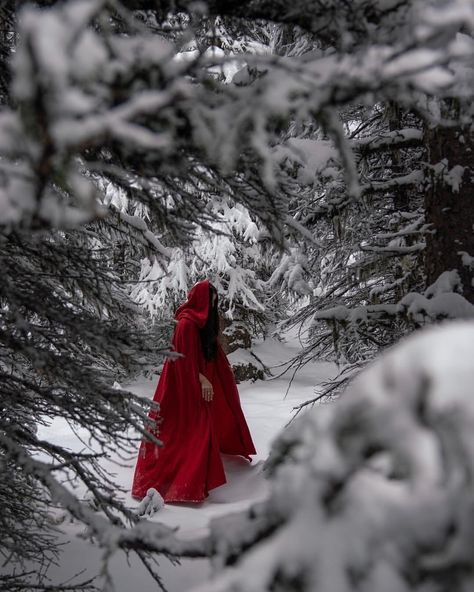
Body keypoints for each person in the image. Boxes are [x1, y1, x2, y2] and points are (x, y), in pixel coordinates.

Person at [131, 279, 256, 503]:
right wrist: (202, 379)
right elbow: (182, 360)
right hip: (179, 389)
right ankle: (183, 485)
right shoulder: (186, 324)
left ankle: (196, 476)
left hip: (192, 384)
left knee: (200, 426)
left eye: (215, 301)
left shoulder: (199, 325)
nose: (213, 305)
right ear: (200, 300)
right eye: (211, 300)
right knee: (187, 429)